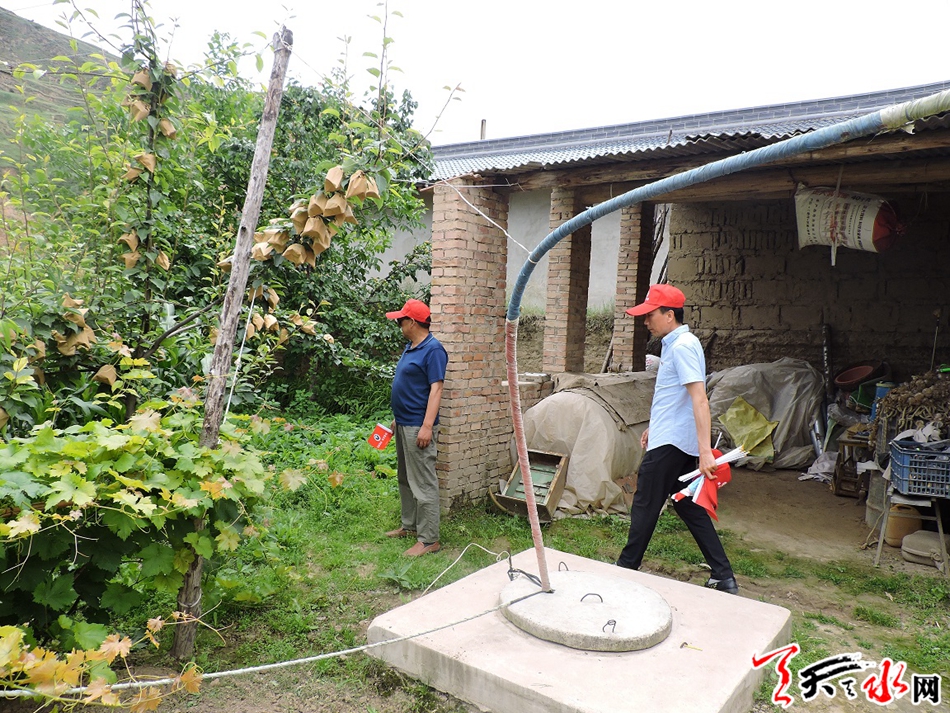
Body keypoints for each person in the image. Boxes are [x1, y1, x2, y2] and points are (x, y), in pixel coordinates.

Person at [615, 284, 738, 594]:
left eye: (650, 315)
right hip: (673, 438)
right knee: (688, 506)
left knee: (645, 504)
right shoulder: (676, 343)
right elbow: (674, 397)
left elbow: (699, 399)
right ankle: (723, 576)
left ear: (669, 315)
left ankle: (625, 568)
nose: (646, 321)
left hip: (672, 445)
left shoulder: (682, 346)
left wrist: (705, 452)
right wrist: (654, 427)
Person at [384, 298, 448, 557]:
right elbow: (410, 387)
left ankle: (429, 539)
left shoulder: (433, 350)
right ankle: (410, 526)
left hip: (418, 427)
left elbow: (436, 389)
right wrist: (398, 418)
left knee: (423, 482)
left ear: (412, 322)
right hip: (404, 422)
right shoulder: (411, 347)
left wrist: (427, 426)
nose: (398, 324)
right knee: (405, 478)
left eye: (401, 320)